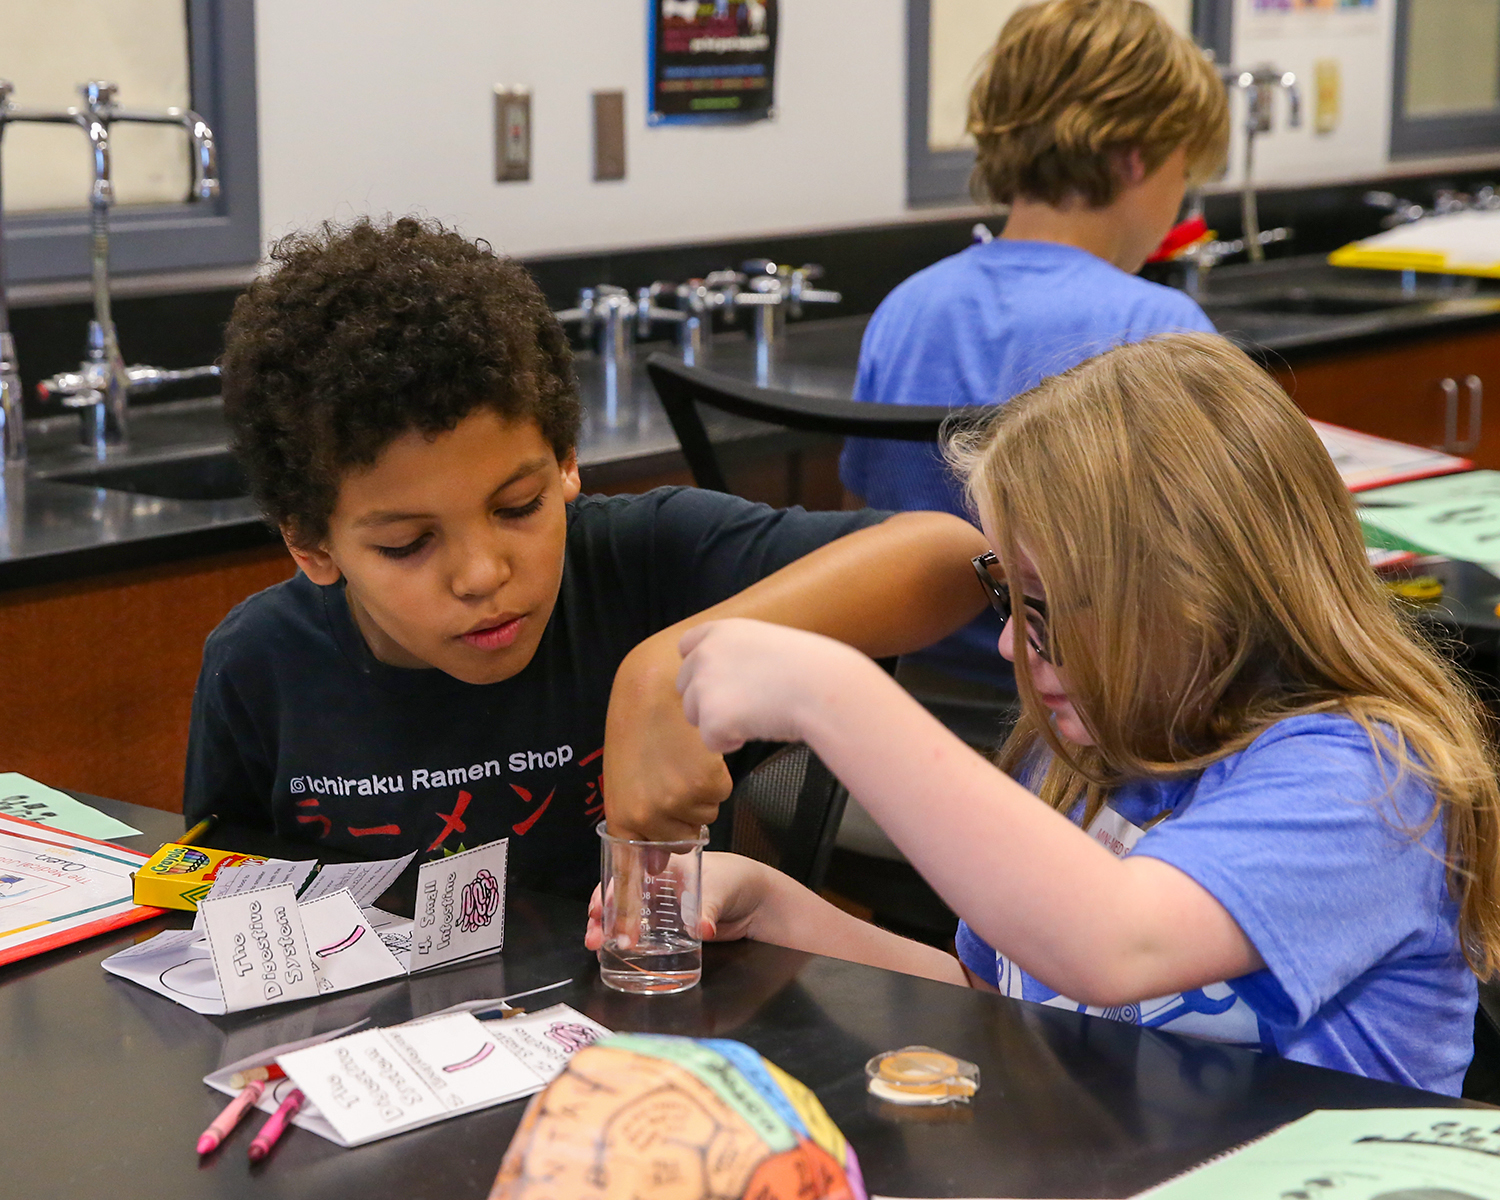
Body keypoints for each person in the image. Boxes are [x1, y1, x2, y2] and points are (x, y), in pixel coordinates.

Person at [608, 333, 1500, 1095]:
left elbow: (1115, 945)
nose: (1010, 650)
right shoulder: (1081, 757)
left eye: (1051, 608)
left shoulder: (1368, 784)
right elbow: (1001, 1000)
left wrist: (830, 692)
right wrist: (782, 911)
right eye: (1009, 598)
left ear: (1198, 600)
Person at [183, 216, 989, 896]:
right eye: (406, 544)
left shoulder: (646, 562)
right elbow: (221, 909)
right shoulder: (260, 670)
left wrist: (660, 670)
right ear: (311, 544)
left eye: (519, 507)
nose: (483, 575)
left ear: (567, 460)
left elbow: (953, 558)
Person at [842, 0, 1228, 684]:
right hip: (1088, 716)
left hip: (916, 701)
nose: (1181, 205)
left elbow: (855, 533)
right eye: (1184, 176)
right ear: (1136, 160)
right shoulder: (1163, 333)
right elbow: (1208, 584)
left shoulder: (905, 308)